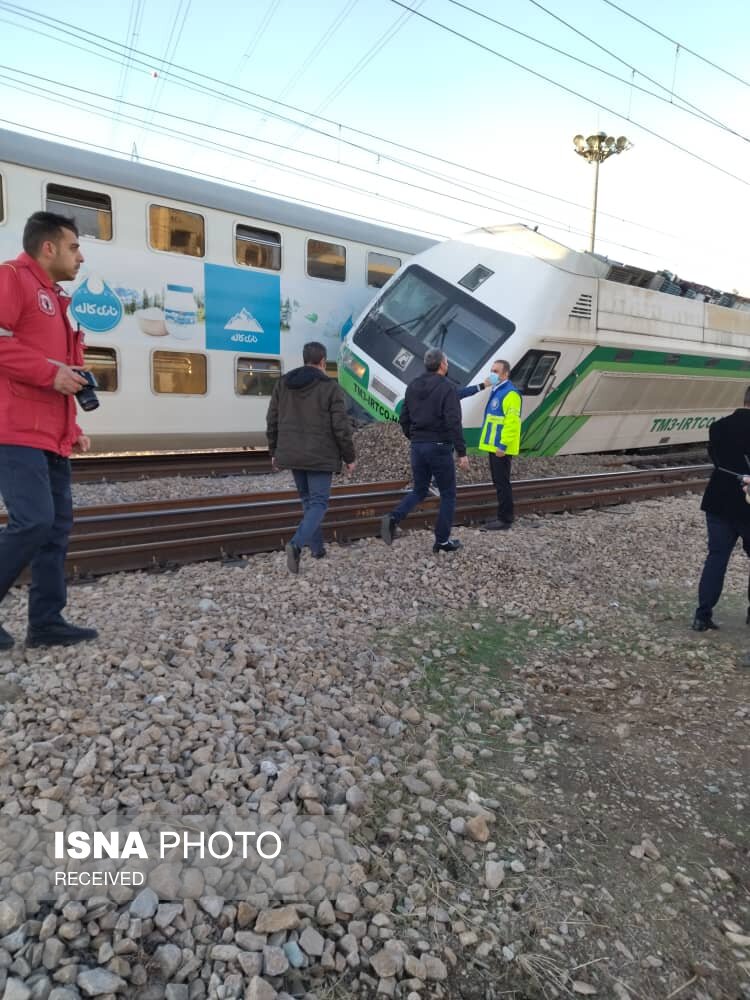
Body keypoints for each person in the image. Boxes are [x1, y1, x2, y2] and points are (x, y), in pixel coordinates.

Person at [0, 211, 98, 650]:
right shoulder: (12, 279)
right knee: (33, 522)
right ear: (48, 247)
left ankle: (45, 622)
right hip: (13, 428)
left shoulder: (55, 299)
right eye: (74, 246)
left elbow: (65, 372)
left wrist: (72, 424)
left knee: (55, 528)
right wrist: (49, 375)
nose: (80, 256)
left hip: (50, 433)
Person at [266, 341, 355, 574]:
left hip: (293, 453)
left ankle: (317, 549)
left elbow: (272, 419)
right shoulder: (330, 387)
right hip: (320, 455)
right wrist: (350, 456)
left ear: (304, 358)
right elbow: (341, 427)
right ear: (323, 361)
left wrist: (273, 450)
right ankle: (296, 544)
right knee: (319, 503)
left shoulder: (283, 383)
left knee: (308, 501)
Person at [380, 347, 469, 553]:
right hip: (439, 446)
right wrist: (462, 452)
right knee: (448, 494)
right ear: (443, 365)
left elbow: (404, 418)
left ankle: (394, 517)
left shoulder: (413, 385)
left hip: (418, 446)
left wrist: (416, 438)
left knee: (420, 489)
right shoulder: (448, 387)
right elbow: (454, 421)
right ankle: (442, 541)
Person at [692, 387, 750, 631]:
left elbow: (716, 459)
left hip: (718, 499)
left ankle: (702, 616)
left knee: (716, 558)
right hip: (747, 504)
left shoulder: (718, 427)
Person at [478, 359, 522, 531]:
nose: (493, 374)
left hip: (501, 448)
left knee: (502, 483)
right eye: (492, 370)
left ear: (505, 374)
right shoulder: (498, 390)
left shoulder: (510, 394)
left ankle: (505, 519)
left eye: (496, 371)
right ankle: (502, 515)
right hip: (495, 447)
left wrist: (503, 445)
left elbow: (512, 423)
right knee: (499, 482)